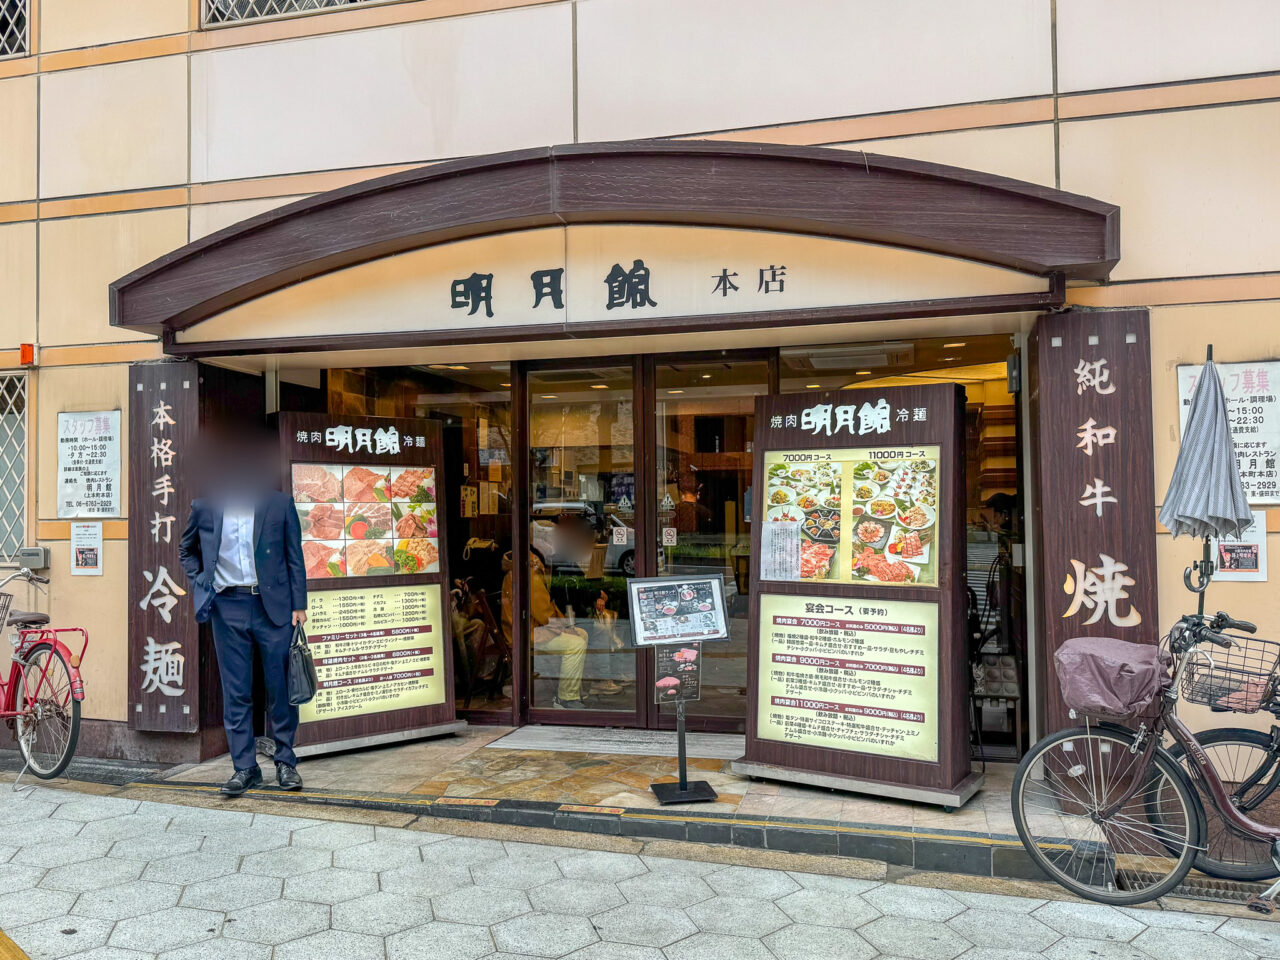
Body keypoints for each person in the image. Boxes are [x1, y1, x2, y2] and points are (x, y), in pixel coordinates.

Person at [178, 426, 308, 796]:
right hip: (228, 607)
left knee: (280, 689)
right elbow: (186, 550)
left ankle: (285, 762)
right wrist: (203, 583)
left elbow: (294, 557)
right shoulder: (206, 507)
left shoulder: (278, 505)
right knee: (236, 692)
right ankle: (245, 767)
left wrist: (299, 604)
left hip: (273, 608)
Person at [501, 550, 588, 708]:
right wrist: (564, 626)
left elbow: (544, 612)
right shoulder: (529, 574)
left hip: (528, 629)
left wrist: (564, 626)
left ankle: (573, 689)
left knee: (581, 634)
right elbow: (544, 614)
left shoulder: (520, 570)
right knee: (576, 643)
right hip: (527, 633)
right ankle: (566, 698)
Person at [672, 470, 713, 534]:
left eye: (689, 479)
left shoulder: (703, 511)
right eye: (683, 480)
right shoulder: (676, 509)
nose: (686, 481)